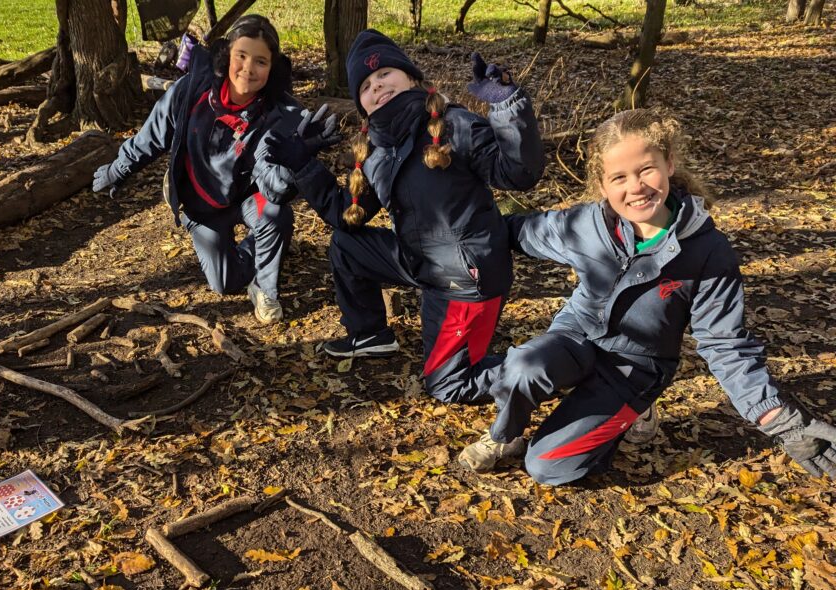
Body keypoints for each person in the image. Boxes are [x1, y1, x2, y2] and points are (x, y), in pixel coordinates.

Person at [458, 108, 836, 484]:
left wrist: (774, 416)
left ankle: (632, 409)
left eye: (646, 170)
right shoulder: (585, 225)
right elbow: (515, 231)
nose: (635, 187)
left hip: (636, 366)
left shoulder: (707, 252)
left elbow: (725, 344)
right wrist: (448, 232)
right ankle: (504, 437)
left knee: (548, 467)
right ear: (603, 186)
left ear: (669, 164)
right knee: (524, 364)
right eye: (619, 177)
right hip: (575, 336)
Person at [264, 30, 544, 403]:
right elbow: (345, 215)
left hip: (467, 280)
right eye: (365, 85)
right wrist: (303, 164)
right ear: (362, 105)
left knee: (447, 386)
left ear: (411, 78)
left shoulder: (452, 126)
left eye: (384, 75)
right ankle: (369, 334)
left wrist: (507, 104)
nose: (377, 86)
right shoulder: (377, 152)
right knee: (346, 245)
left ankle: (555, 361)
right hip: (421, 262)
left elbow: (519, 173)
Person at [92, 16, 333, 324]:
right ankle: (260, 253)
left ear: (272, 69)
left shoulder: (282, 115)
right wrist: (119, 169)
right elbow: (152, 136)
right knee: (225, 284)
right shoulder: (191, 92)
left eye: (260, 61)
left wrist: (298, 161)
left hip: (247, 196)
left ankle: (264, 284)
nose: (248, 68)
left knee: (274, 212)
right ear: (226, 55)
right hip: (201, 203)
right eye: (241, 56)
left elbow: (275, 187)